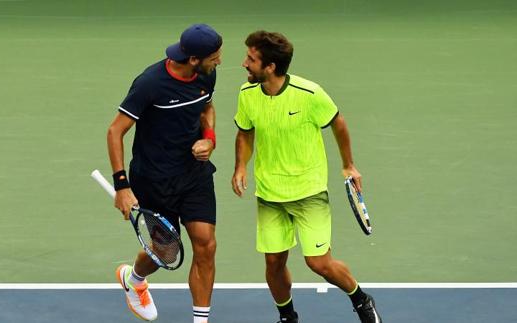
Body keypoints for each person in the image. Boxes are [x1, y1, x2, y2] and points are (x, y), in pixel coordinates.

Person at [231, 30, 382, 323]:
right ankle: (288, 317)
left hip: (309, 192)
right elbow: (245, 132)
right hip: (269, 194)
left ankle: (361, 299)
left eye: (251, 59)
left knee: (319, 263)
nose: (244, 64)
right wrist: (240, 166)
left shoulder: (310, 94)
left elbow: (338, 123)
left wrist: (349, 165)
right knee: (274, 262)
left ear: (270, 67)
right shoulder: (246, 94)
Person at [106, 24, 222, 323]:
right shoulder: (150, 83)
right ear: (194, 59)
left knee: (206, 243)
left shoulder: (207, 74)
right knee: (164, 253)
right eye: (215, 56)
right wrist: (122, 186)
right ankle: (134, 280)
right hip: (154, 179)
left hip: (193, 175)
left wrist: (208, 137)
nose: (219, 61)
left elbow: (206, 108)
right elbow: (115, 131)